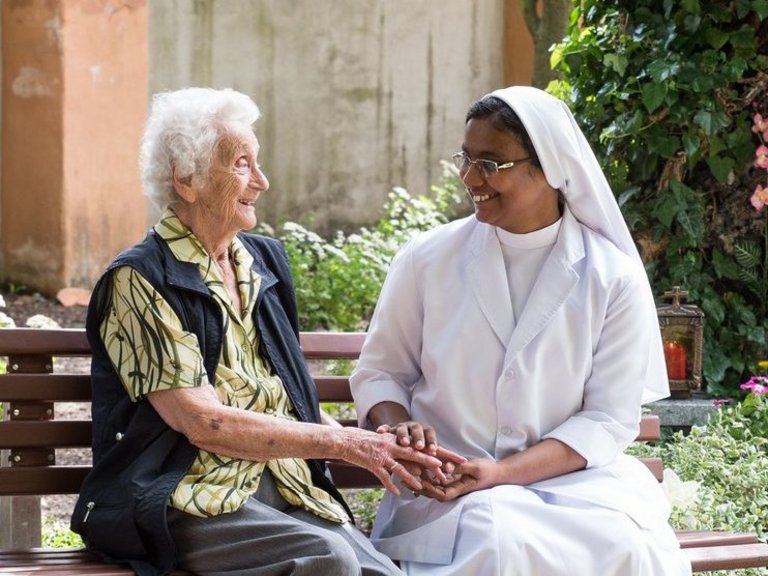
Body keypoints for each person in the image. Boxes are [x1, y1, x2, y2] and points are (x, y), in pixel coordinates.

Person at [70, 87, 463, 576]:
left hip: (286, 483)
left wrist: (382, 447)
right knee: (328, 560)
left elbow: (282, 395)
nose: (262, 181)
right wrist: (349, 447)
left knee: (382, 573)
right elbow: (203, 422)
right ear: (186, 179)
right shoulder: (141, 279)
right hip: (185, 497)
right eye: (241, 164)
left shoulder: (263, 261)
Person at [349, 86, 693, 575]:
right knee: (498, 540)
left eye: (490, 163)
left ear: (549, 167)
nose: (470, 178)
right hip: (448, 483)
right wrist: (397, 420)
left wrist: (503, 473)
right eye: (466, 158)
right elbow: (381, 371)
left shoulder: (611, 276)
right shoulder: (427, 259)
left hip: (575, 485)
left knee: (630, 548)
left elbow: (606, 419)